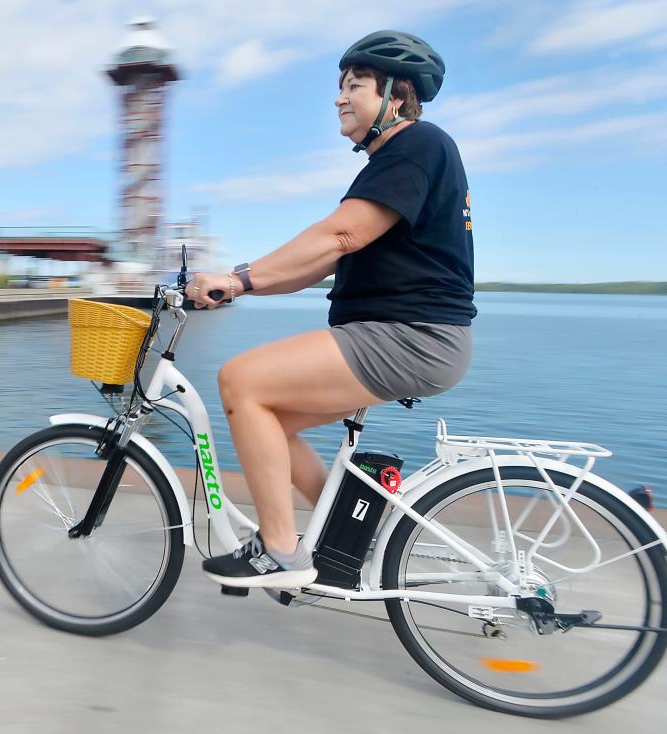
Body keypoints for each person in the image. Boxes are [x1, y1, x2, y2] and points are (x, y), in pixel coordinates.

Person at [186, 30, 476, 589]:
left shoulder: (418, 144)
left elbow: (339, 235)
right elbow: (317, 264)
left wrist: (238, 278)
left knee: (240, 381)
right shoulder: (396, 161)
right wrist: (239, 282)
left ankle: (279, 551)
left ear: (396, 95)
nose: (340, 98)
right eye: (340, 88)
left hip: (411, 335)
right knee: (270, 421)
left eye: (355, 86)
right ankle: (351, 534)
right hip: (404, 334)